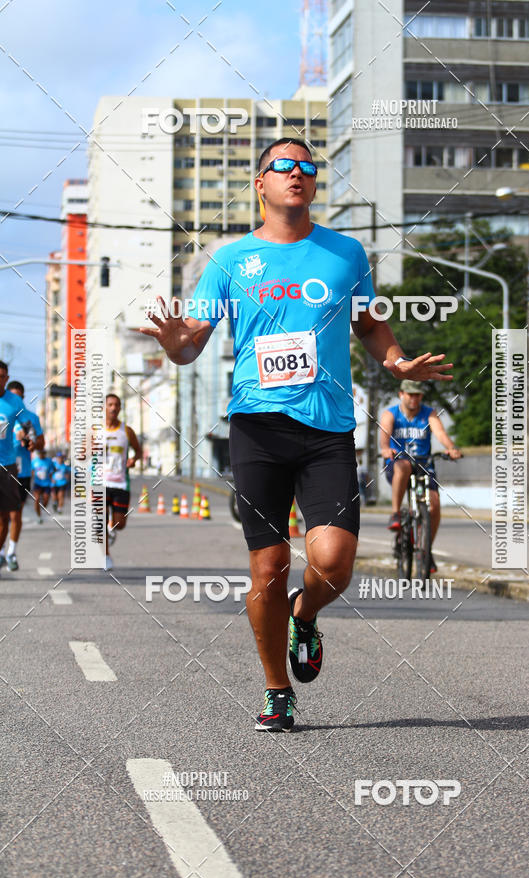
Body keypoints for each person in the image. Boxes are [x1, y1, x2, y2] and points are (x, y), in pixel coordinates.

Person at [141, 137, 453, 732]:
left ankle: (302, 615)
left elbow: (368, 323)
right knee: (269, 564)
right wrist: (174, 341)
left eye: (308, 167)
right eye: (283, 166)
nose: (297, 173)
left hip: (329, 428)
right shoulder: (230, 261)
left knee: (334, 563)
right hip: (257, 428)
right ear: (260, 184)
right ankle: (277, 690)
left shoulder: (345, 253)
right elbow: (190, 347)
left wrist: (397, 363)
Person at [380, 380, 462, 571]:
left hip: (424, 464)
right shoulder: (390, 414)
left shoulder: (429, 413)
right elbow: (384, 437)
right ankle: (395, 514)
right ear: (401, 394)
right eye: (410, 394)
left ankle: (426, 550)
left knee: (434, 506)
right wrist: (385, 449)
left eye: (417, 394)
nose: (414, 398)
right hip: (398, 464)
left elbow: (440, 433)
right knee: (404, 465)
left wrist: (451, 448)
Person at [1, 380, 45, 569]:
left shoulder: (29, 419)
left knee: (15, 514)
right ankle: (2, 552)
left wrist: (31, 442)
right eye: (13, 395)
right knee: (2, 516)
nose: (15, 400)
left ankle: (11, 551)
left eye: (19, 396)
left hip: (22, 472)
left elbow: (39, 442)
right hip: (6, 469)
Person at [0, 362, 33, 574]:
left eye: (2, 376)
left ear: (6, 377)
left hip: (8, 467)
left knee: (8, 515)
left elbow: (29, 425)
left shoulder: (14, 403)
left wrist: (30, 439)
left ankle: (8, 552)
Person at [104, 393, 142, 571]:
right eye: (110, 404)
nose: (113, 408)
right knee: (98, 520)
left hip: (120, 483)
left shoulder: (127, 431)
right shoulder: (96, 431)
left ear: (120, 408)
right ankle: (105, 556)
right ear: (104, 407)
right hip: (100, 482)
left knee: (120, 524)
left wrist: (134, 460)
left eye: (116, 405)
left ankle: (112, 527)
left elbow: (138, 451)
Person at [31, 449, 55, 523]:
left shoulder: (49, 461)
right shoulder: (34, 461)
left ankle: (43, 506)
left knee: (45, 500)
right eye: (40, 453)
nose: (41, 455)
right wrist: (33, 476)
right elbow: (32, 470)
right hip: (37, 483)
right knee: (36, 499)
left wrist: (52, 478)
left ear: (45, 453)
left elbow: (53, 470)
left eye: (43, 453)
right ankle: (39, 517)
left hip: (46, 484)